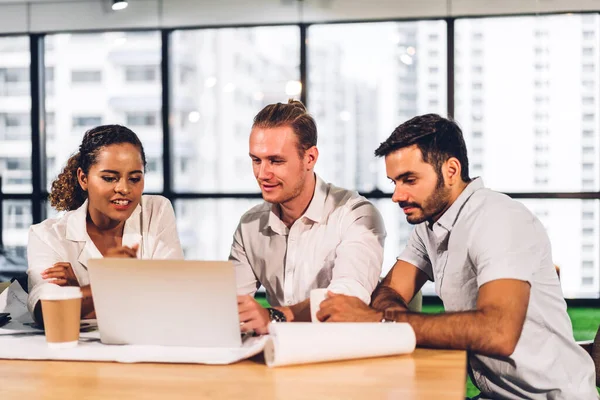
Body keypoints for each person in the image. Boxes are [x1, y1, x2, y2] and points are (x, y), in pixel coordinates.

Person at [317, 114, 597, 399]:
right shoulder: (431, 225)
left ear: (451, 170)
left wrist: (383, 322)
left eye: (409, 180)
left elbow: (498, 332)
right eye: (394, 183)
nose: (397, 195)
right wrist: (389, 317)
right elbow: (389, 290)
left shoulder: (497, 218)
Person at [230, 99, 386, 335]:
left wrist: (274, 316)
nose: (262, 174)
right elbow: (232, 306)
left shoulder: (356, 215)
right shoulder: (250, 225)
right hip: (280, 357)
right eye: (256, 160)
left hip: (343, 356)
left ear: (310, 158)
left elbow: (343, 303)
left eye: (276, 161)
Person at [27, 125, 184, 324]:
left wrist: (80, 293)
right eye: (109, 178)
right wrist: (108, 279)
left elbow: (174, 297)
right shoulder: (47, 236)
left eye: (135, 178)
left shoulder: (156, 210)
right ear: (83, 179)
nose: (124, 189)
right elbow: (48, 312)